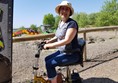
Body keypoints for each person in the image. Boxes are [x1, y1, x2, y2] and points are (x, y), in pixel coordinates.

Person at [43, 0, 81, 83]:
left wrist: (50, 45)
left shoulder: (72, 24)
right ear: (59, 11)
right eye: (62, 9)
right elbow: (57, 36)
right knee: (47, 59)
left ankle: (53, 81)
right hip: (62, 51)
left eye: (67, 9)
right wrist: (49, 41)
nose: (64, 11)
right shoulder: (61, 23)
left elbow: (67, 40)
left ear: (70, 12)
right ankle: (55, 78)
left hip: (72, 53)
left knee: (50, 64)